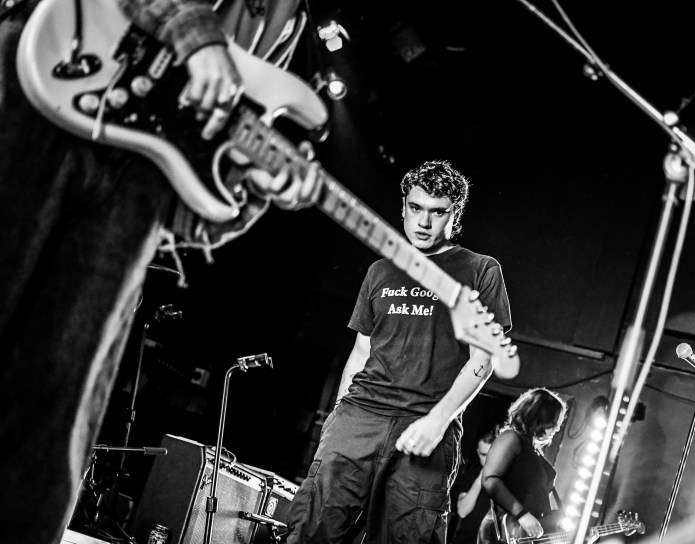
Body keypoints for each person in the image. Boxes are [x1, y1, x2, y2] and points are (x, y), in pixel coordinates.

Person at [0, 0, 320, 542]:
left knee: (53, 417)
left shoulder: (289, 19)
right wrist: (196, 35)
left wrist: (250, 193)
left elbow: (187, 204)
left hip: (132, 194)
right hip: (42, 82)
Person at [286, 159, 513, 543]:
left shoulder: (480, 270)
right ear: (404, 207)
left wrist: (438, 421)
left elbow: (483, 358)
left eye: (437, 212)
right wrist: (338, 418)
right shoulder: (380, 271)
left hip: (426, 429)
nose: (424, 222)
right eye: (416, 208)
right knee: (310, 532)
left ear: (455, 214)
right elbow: (361, 351)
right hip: (359, 421)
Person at [477, 388, 568, 544]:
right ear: (537, 417)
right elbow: (490, 478)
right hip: (509, 529)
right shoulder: (511, 438)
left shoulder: (533, 449)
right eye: (553, 423)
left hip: (527, 532)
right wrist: (521, 515)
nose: (557, 428)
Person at [449, 425, 499, 544]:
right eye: (483, 455)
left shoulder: (509, 478)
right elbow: (462, 511)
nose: (488, 460)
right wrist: (480, 479)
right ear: (477, 452)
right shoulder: (472, 475)